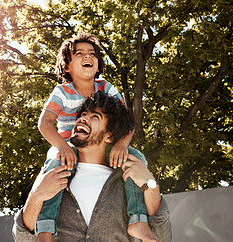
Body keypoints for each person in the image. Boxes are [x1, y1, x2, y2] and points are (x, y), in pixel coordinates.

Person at [36, 32, 154, 240]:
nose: (87, 56)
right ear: (67, 67)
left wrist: (122, 145)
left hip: (102, 146)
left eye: (92, 53)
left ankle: (138, 219)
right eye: (79, 54)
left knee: (138, 159)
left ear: (98, 65)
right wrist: (62, 147)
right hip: (67, 145)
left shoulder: (106, 88)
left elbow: (127, 122)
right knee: (54, 167)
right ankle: (45, 227)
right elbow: (44, 124)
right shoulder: (62, 91)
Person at [13, 92, 171, 241]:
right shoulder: (54, 171)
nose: (82, 119)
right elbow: (22, 237)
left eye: (95, 116)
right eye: (82, 115)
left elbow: (162, 237)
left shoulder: (126, 177)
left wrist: (150, 183)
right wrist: (36, 195)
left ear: (109, 135)